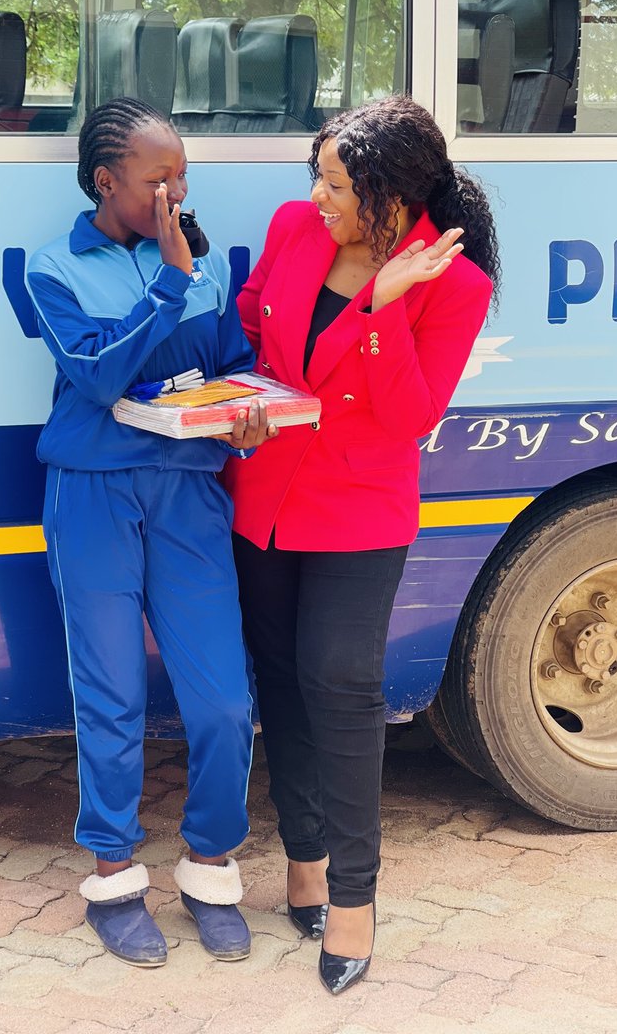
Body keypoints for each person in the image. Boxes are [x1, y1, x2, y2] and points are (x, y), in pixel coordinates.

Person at [224, 96, 499, 995]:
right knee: (281, 683)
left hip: (356, 511)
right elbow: (263, 326)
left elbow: (411, 415)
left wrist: (382, 306)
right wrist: (235, 402)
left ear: (387, 192)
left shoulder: (454, 285)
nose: (319, 194)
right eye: (320, 175)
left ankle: (353, 900)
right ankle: (302, 858)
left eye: (338, 183)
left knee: (339, 683)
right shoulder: (295, 227)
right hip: (263, 496)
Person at [26, 97, 275, 969]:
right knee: (112, 694)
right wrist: (169, 279)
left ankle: (210, 867)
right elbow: (96, 378)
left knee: (223, 699)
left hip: (188, 494)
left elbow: (230, 363)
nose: (176, 195)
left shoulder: (200, 265)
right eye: (157, 180)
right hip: (93, 492)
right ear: (106, 181)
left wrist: (248, 408)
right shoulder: (53, 267)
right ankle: (114, 876)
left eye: (183, 178)